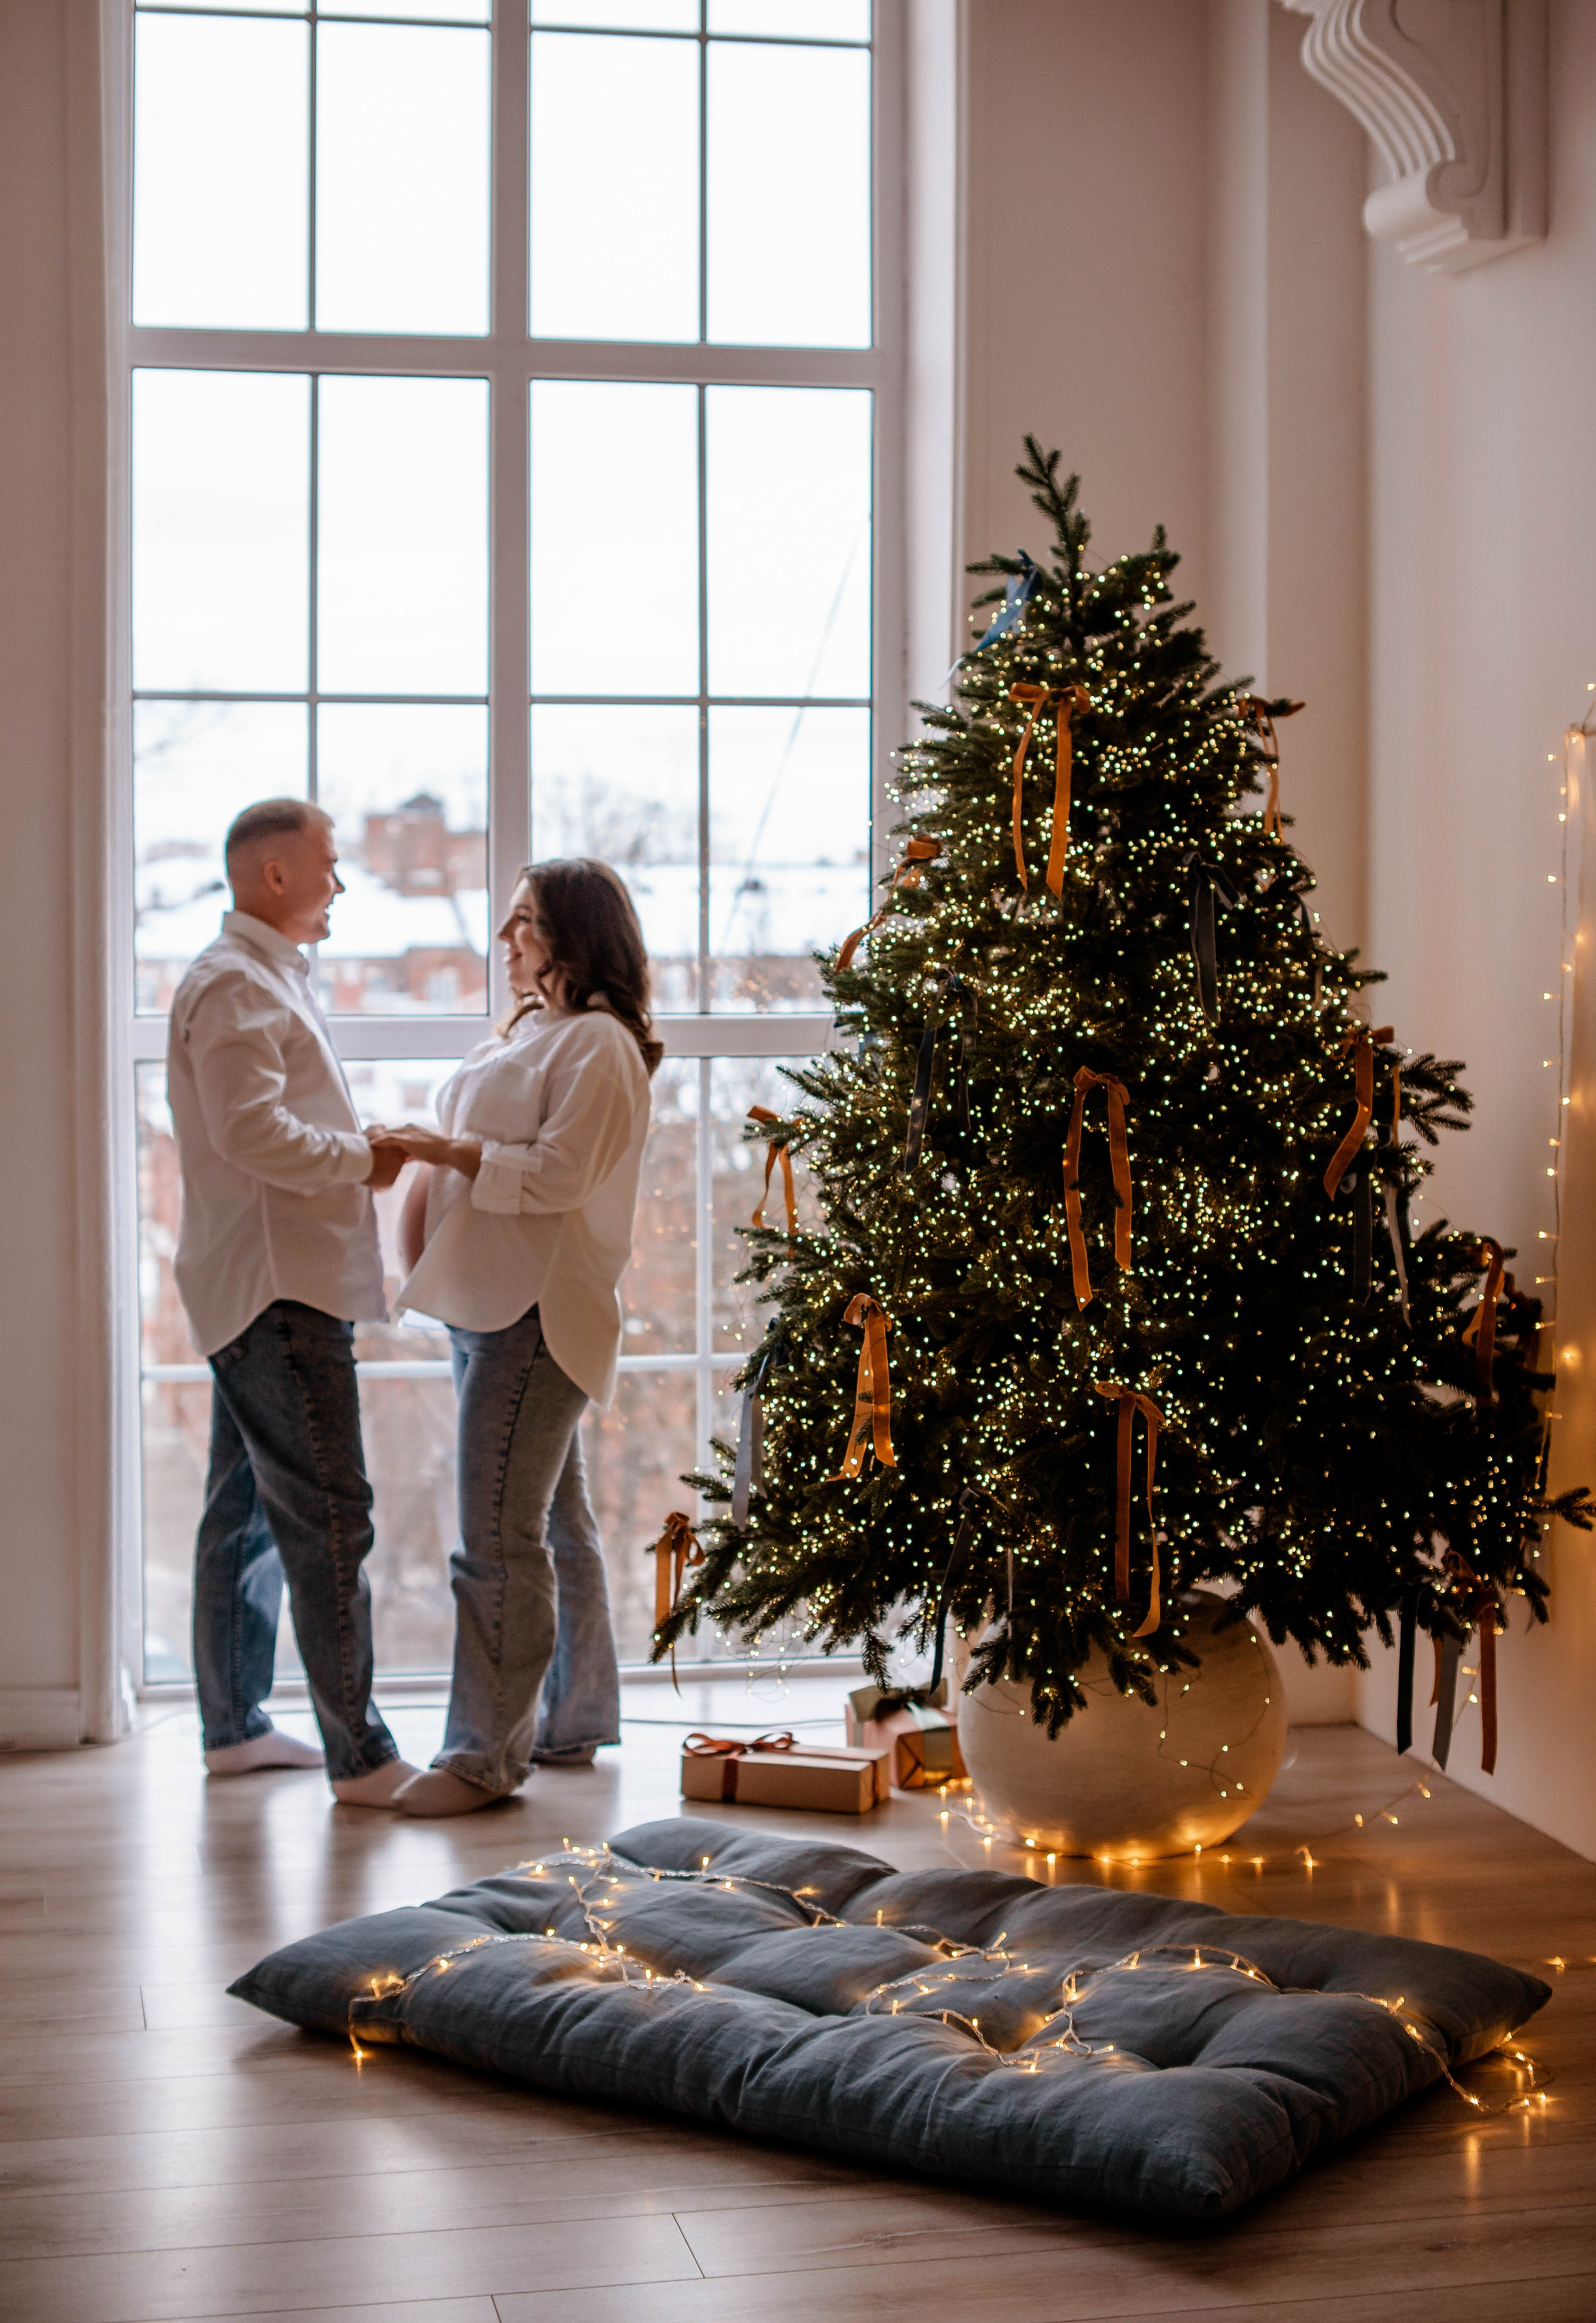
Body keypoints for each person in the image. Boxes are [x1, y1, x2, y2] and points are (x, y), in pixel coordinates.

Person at [385, 858, 658, 1817]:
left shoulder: (599, 1046)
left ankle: (480, 1760)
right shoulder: (531, 1033)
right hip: (487, 1307)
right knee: (553, 1525)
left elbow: (553, 1180)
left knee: (495, 1541)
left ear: (575, 937)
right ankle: (574, 1716)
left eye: (524, 923)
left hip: (534, 1314)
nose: (505, 940)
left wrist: (435, 1148)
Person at [166, 798, 422, 1805]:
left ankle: (234, 1729)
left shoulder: (256, 978)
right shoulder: (233, 984)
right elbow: (252, 1132)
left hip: (268, 1283)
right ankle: (360, 1756)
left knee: (243, 1512)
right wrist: (366, 1158)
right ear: (275, 875)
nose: (342, 883)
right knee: (328, 1513)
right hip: (280, 1289)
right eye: (329, 863)